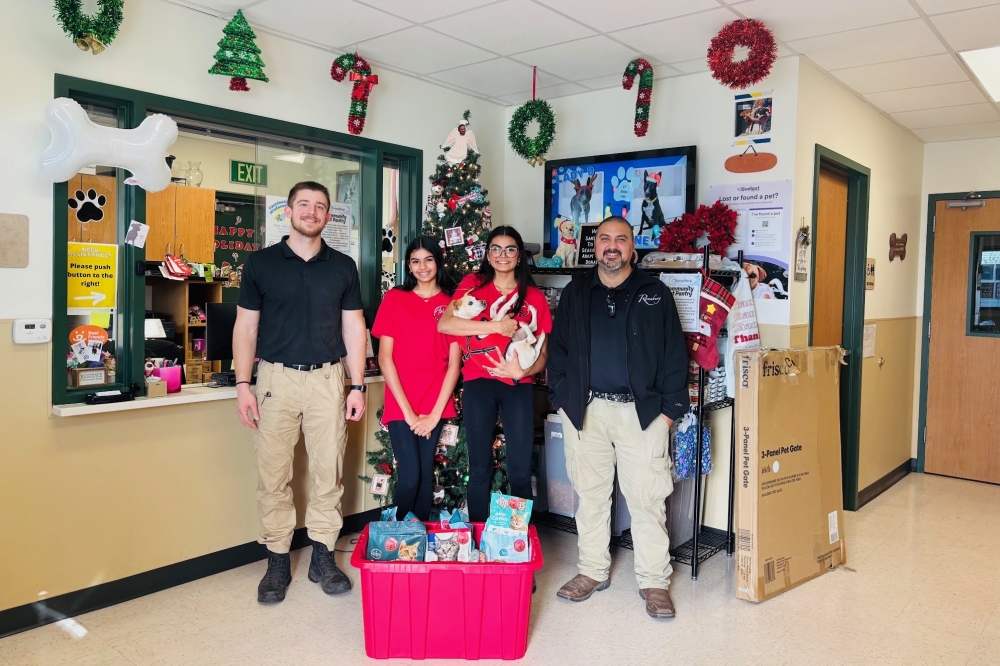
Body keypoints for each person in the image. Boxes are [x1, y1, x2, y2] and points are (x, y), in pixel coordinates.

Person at [546, 216, 689, 619]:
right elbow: (557, 352)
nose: (612, 246)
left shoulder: (655, 293)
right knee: (589, 496)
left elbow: (675, 356)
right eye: (605, 239)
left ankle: (654, 581)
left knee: (648, 499)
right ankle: (592, 571)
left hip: (642, 415)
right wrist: (562, 400)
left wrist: (667, 415)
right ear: (595, 247)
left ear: (632, 247)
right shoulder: (576, 293)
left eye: (620, 239)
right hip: (585, 412)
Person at [233, 181, 367, 604]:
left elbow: (354, 327)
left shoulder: (343, 266)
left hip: (329, 380)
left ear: (328, 216)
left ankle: (323, 557)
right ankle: (277, 559)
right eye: (304, 204)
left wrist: (357, 384)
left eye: (320, 206)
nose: (312, 211)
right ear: (288, 211)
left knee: (329, 472)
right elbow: (246, 328)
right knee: (274, 474)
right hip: (274, 381)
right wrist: (242, 386)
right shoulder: (260, 264)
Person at [437, 226, 552, 523]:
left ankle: (518, 544)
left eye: (510, 249)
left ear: (519, 256)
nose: (503, 255)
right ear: (488, 255)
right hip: (479, 382)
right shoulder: (473, 286)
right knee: (479, 468)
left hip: (518, 386)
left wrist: (522, 370)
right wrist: (495, 327)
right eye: (496, 249)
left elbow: (544, 356)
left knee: (519, 470)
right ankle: (477, 540)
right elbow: (446, 325)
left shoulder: (534, 297)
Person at [372, 237, 462, 521]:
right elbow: (385, 358)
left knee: (424, 476)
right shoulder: (395, 299)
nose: (422, 267)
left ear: (438, 261)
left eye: (428, 259)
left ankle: (418, 543)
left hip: (435, 400)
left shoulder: (452, 304)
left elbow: (454, 365)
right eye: (415, 261)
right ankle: (392, 540)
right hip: (402, 402)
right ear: (408, 266)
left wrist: (434, 416)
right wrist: (410, 415)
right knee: (410, 477)